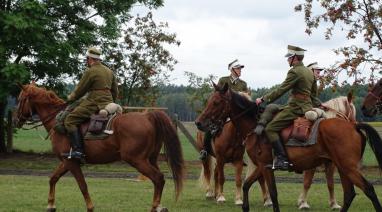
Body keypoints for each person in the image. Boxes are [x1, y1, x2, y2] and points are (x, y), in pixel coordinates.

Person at [255, 45, 321, 171]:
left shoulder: (294, 71)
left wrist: (263, 98)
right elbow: (313, 94)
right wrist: (317, 105)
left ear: (295, 58)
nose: (287, 60)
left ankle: (282, 159)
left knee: (270, 128)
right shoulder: (309, 72)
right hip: (307, 107)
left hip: (295, 108)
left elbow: (281, 90)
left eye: (289, 57)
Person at [64, 47, 119, 160]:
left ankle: (78, 151)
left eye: (87, 59)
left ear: (89, 59)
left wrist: (69, 99)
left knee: (70, 120)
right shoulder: (109, 71)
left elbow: (80, 90)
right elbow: (115, 91)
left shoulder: (90, 71)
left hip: (93, 102)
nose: (87, 61)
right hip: (108, 102)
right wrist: (110, 102)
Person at [199, 59, 249, 160]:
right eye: (238, 68)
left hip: (236, 113)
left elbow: (245, 99)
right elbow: (217, 95)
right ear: (232, 70)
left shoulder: (243, 84)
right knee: (211, 126)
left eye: (240, 69)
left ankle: (241, 153)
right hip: (223, 111)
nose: (240, 70)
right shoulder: (223, 80)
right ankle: (205, 150)